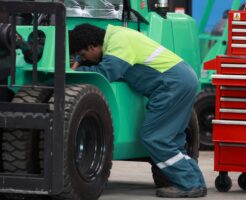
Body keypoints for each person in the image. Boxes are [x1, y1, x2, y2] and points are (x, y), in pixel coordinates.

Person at [69, 23, 207, 198]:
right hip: (181, 80)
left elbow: (106, 72)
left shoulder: (119, 41)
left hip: (173, 84)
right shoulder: (117, 35)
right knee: (174, 141)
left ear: (92, 46)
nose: (85, 58)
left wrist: (77, 69)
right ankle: (196, 183)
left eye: (83, 55)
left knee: (155, 137)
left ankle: (189, 185)